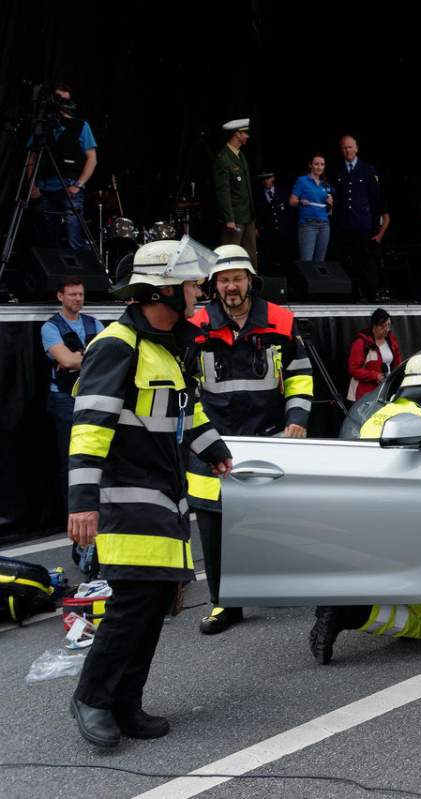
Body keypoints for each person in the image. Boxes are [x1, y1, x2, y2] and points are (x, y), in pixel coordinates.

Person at [68, 239, 232, 747]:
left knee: (155, 599)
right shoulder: (117, 345)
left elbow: (186, 411)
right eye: (192, 284)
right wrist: (82, 503)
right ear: (163, 291)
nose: (199, 292)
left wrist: (213, 448)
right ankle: (92, 699)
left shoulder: (168, 345)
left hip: (163, 494)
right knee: (133, 602)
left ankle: (126, 703)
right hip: (125, 497)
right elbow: (89, 426)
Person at [309, 350, 421, 663]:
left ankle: (345, 605)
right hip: (412, 533)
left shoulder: (379, 414)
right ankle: (349, 613)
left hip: (366, 524)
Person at [186, 245, 313, 635]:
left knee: (268, 521)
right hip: (211, 439)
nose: (231, 286)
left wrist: (296, 419)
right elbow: (184, 384)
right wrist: (200, 434)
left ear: (250, 281)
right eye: (224, 280)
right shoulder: (195, 323)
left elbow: (299, 373)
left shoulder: (280, 320)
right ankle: (224, 603)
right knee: (213, 525)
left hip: (266, 438)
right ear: (214, 285)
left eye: (237, 278)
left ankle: (276, 588)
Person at [41, 279, 103, 551]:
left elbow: (106, 356)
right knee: (71, 459)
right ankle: (73, 517)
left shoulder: (94, 323)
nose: (78, 298)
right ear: (60, 296)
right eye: (73, 294)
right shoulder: (51, 327)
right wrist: (87, 356)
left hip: (92, 396)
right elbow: (66, 360)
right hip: (65, 400)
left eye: (81, 294)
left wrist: (79, 358)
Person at [26, 82, 97, 250]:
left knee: (73, 238)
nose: (62, 105)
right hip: (45, 189)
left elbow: (92, 159)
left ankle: (79, 267)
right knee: (47, 240)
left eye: (65, 100)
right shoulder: (42, 126)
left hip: (69, 188)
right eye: (58, 99)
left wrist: (78, 185)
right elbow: (32, 156)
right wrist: (32, 185)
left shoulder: (81, 126)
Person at [331, 135, 384, 301]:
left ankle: (371, 293)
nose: (347, 150)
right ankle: (350, 293)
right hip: (344, 223)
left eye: (350, 147)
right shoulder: (337, 169)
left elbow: (375, 198)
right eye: (344, 148)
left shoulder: (368, 169)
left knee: (365, 260)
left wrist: (375, 226)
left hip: (362, 222)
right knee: (345, 260)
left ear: (356, 148)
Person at [213, 119, 257, 266]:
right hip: (235, 217)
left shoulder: (240, 155)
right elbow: (223, 191)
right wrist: (229, 218)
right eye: (245, 133)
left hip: (247, 215)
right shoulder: (224, 158)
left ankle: (251, 280)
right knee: (231, 256)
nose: (247, 136)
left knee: (250, 256)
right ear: (237, 134)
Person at [347, 307, 403, 401]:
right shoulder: (361, 343)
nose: (386, 329)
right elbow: (354, 370)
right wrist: (375, 376)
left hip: (385, 391)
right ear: (374, 326)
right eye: (383, 326)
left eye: (388, 325)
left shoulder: (391, 341)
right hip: (363, 394)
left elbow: (398, 364)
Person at [290, 154, 334, 262]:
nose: (319, 167)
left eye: (322, 164)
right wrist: (301, 202)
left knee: (320, 261)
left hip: (324, 225)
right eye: (316, 164)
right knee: (307, 261)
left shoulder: (325, 184)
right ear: (310, 165)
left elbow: (329, 213)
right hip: (308, 224)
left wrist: (330, 204)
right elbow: (292, 201)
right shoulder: (302, 180)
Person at [253, 171, 290, 273]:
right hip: (267, 230)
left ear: (273, 178)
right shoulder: (257, 195)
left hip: (283, 230)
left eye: (268, 178)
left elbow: (289, 211)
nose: (266, 181)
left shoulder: (282, 192)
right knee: (267, 258)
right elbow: (254, 213)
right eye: (263, 179)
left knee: (284, 258)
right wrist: (255, 227)